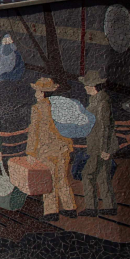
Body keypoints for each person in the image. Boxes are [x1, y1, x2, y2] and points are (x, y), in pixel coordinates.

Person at [26, 77, 77, 221]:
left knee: (48, 180)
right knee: (62, 179)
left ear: (43, 93)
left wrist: (30, 152)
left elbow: (34, 132)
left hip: (46, 150)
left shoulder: (37, 109)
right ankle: (70, 208)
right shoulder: (59, 107)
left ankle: (51, 212)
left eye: (37, 91)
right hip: (62, 148)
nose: (36, 94)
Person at [78, 70, 118, 217]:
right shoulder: (96, 100)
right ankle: (109, 206)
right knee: (102, 175)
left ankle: (91, 207)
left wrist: (105, 149)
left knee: (87, 174)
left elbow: (105, 127)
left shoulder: (102, 102)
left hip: (100, 146)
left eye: (86, 85)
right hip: (98, 145)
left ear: (92, 86)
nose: (84, 88)